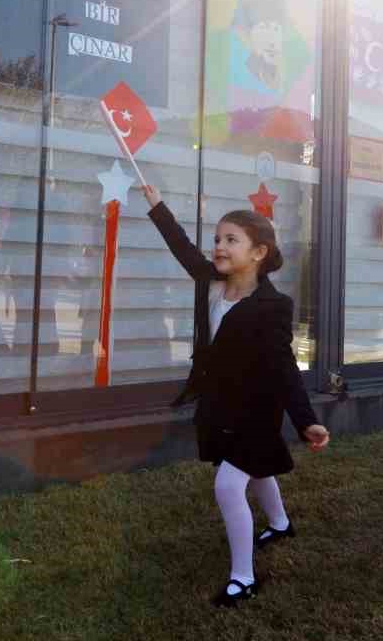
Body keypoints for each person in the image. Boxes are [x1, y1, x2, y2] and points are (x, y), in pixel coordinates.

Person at [141, 182, 330, 607]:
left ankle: (243, 577)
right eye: (217, 239)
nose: (219, 247)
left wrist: (306, 420)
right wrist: (158, 206)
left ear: (259, 252)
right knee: (257, 470)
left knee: (230, 484)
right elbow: (182, 248)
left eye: (231, 240)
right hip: (219, 404)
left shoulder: (273, 306)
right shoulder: (210, 282)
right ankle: (280, 524)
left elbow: (284, 368)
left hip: (257, 409)